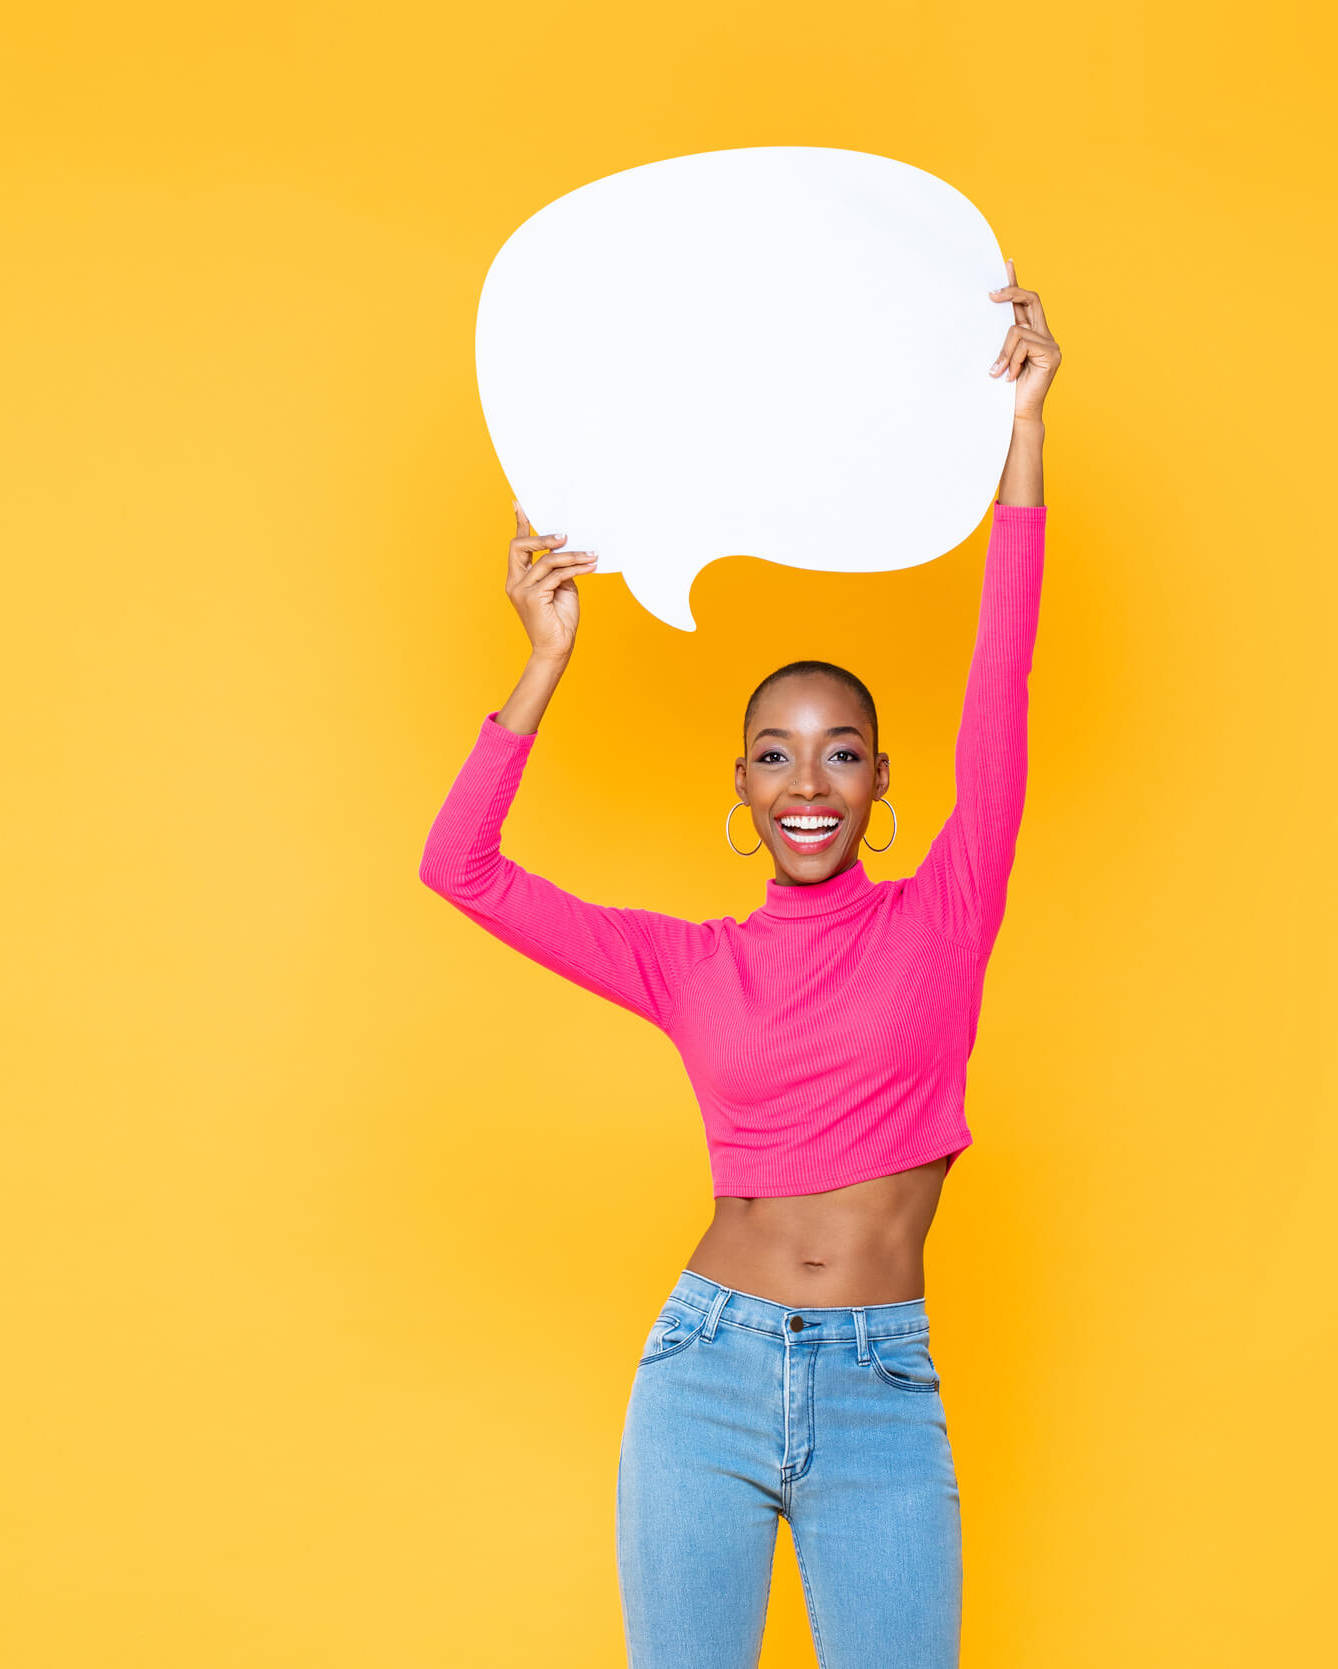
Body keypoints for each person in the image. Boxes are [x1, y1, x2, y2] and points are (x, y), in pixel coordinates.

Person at [419, 266, 1061, 1669]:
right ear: (746, 785)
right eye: (777, 753)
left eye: (841, 750)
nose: (809, 780)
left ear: (881, 778)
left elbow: (1001, 678)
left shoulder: (949, 908)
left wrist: (1023, 433)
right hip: (702, 1374)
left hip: (883, 1383)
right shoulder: (689, 963)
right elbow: (457, 867)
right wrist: (546, 658)